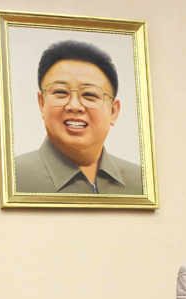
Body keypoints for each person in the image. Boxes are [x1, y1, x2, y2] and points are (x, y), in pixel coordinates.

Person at [15, 40, 143, 195]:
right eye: (61, 92)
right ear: (42, 104)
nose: (74, 106)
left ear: (113, 112)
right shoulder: (14, 177)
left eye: (89, 94)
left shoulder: (141, 183)